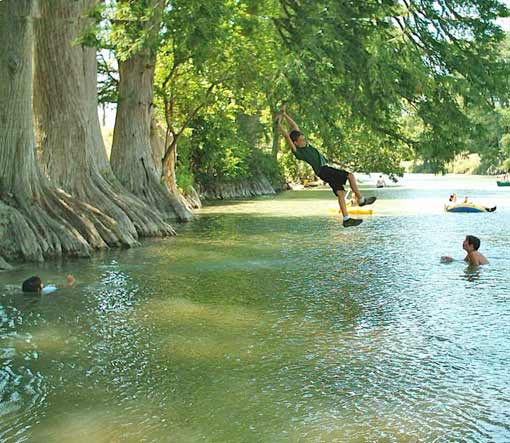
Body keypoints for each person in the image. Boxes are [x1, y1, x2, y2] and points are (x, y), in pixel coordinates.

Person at [277, 109, 376, 227]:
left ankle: (346, 219)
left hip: (324, 170)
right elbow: (287, 136)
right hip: (323, 170)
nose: (304, 141)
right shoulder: (298, 152)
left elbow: (294, 126)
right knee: (350, 175)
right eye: (301, 140)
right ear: (295, 143)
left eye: (303, 138)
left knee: (340, 193)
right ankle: (361, 200)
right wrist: (277, 124)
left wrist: (285, 115)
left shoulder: (304, 143)